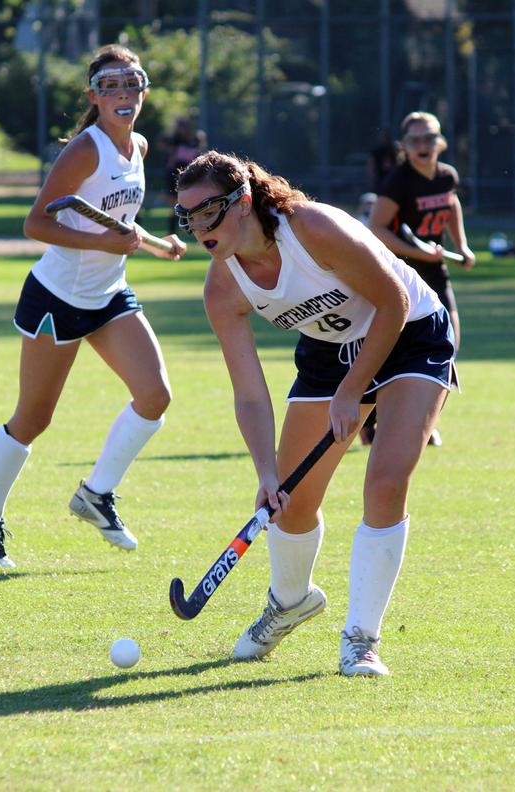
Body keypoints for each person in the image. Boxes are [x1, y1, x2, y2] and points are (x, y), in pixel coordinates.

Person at [175, 149, 456, 676]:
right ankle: (290, 601)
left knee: (385, 483)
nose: (199, 229)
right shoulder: (222, 286)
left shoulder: (311, 229)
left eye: (208, 212)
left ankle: (361, 640)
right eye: (188, 217)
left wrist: (353, 391)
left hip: (411, 335)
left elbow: (393, 301)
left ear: (242, 202)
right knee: (292, 503)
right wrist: (265, 473)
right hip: (329, 354)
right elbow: (249, 393)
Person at [0, 45, 186, 568]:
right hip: (57, 299)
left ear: (144, 91)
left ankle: (95, 495)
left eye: (131, 84)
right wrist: (103, 243)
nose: (123, 95)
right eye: (110, 86)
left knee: (155, 395)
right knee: (34, 418)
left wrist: (157, 244)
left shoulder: (139, 146)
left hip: (108, 295)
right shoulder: (84, 150)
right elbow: (36, 223)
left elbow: (115, 217)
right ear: (94, 97)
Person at [367, 112, 473, 447]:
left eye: (429, 138)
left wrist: (461, 245)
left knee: (447, 346)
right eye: (415, 140)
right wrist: (419, 253)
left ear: (440, 142)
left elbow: (451, 204)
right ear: (405, 146)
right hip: (401, 277)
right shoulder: (397, 181)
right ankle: (372, 421)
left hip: (435, 274)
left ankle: (421, 426)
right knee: (392, 353)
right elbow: (376, 228)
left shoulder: (446, 175)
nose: (423, 145)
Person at [163, 117, 207, 234]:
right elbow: (162, 144)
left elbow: (200, 153)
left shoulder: (196, 139)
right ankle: (173, 231)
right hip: (174, 174)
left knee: (190, 201)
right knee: (174, 204)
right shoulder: (175, 140)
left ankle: (189, 226)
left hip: (189, 174)